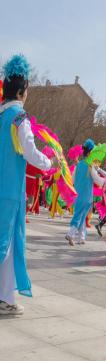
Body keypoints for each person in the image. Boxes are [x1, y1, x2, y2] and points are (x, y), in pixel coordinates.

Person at [1, 55, 53, 316]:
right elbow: (30, 152)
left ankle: (5, 297)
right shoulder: (19, 117)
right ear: (22, 92)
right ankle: (4, 297)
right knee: (6, 245)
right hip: (9, 191)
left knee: (6, 245)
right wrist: (49, 162)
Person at [65, 140, 103, 245]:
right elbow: (97, 179)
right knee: (79, 215)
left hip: (77, 195)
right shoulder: (91, 165)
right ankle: (70, 233)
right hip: (87, 196)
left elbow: (72, 180)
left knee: (82, 215)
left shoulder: (79, 165)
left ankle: (81, 237)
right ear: (90, 152)